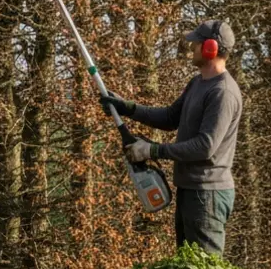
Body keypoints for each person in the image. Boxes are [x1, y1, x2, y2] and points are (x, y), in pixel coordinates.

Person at [101, 20, 243, 255]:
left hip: (208, 194)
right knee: (188, 267)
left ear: (210, 48)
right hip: (191, 190)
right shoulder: (198, 83)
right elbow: (169, 117)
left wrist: (152, 150)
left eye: (196, 44)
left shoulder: (222, 92)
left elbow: (205, 146)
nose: (191, 48)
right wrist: (127, 108)